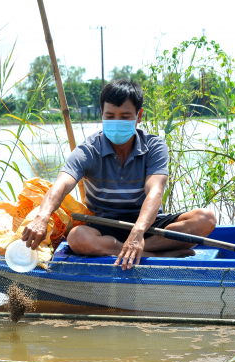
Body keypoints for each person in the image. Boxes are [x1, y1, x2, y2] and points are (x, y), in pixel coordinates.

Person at [21, 79, 216, 270]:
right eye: (110, 116)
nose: (117, 122)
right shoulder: (89, 149)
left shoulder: (154, 146)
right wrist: (42, 217)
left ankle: (137, 248)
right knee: (77, 238)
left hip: (147, 225)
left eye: (124, 117)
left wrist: (138, 232)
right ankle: (155, 254)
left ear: (138, 116)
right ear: (102, 115)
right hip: (105, 225)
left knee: (205, 219)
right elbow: (62, 185)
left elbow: (155, 192)